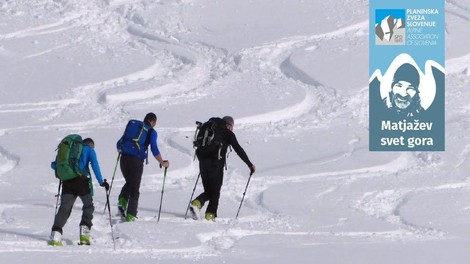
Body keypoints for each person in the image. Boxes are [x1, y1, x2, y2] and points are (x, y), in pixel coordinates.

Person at [190, 116, 256, 221]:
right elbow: (238, 149)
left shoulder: (210, 129)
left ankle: (196, 203)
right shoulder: (227, 133)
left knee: (209, 190)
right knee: (215, 191)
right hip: (216, 164)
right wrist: (249, 164)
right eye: (232, 127)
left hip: (202, 162)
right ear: (229, 125)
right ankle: (210, 215)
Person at [49, 138, 109, 246]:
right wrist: (101, 181)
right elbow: (95, 165)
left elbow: (54, 165)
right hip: (82, 182)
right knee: (88, 206)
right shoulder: (89, 150)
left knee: (64, 208)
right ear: (91, 145)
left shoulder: (70, 150)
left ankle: (55, 236)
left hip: (67, 182)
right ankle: (84, 235)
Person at [116, 112, 170, 222]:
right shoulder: (151, 131)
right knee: (135, 189)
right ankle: (131, 215)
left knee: (130, 182)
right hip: (136, 160)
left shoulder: (134, 127)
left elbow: (118, 144)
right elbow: (154, 148)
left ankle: (122, 201)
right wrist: (162, 162)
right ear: (153, 121)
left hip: (124, 158)